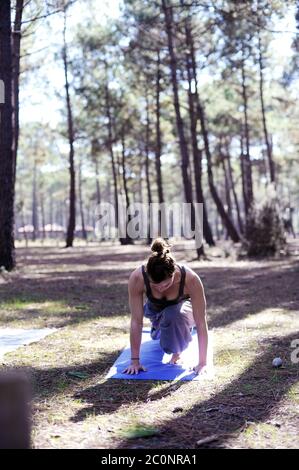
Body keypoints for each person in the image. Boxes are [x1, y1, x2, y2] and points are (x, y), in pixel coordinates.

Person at [123, 238, 209, 376]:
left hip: (181, 313)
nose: (161, 289)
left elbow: (200, 321)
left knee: (173, 314)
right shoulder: (138, 277)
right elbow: (136, 321)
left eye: (165, 284)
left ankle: (178, 343)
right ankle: (160, 329)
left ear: (173, 273)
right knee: (161, 329)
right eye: (155, 285)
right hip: (155, 312)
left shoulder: (190, 279)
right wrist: (134, 361)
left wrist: (202, 362)